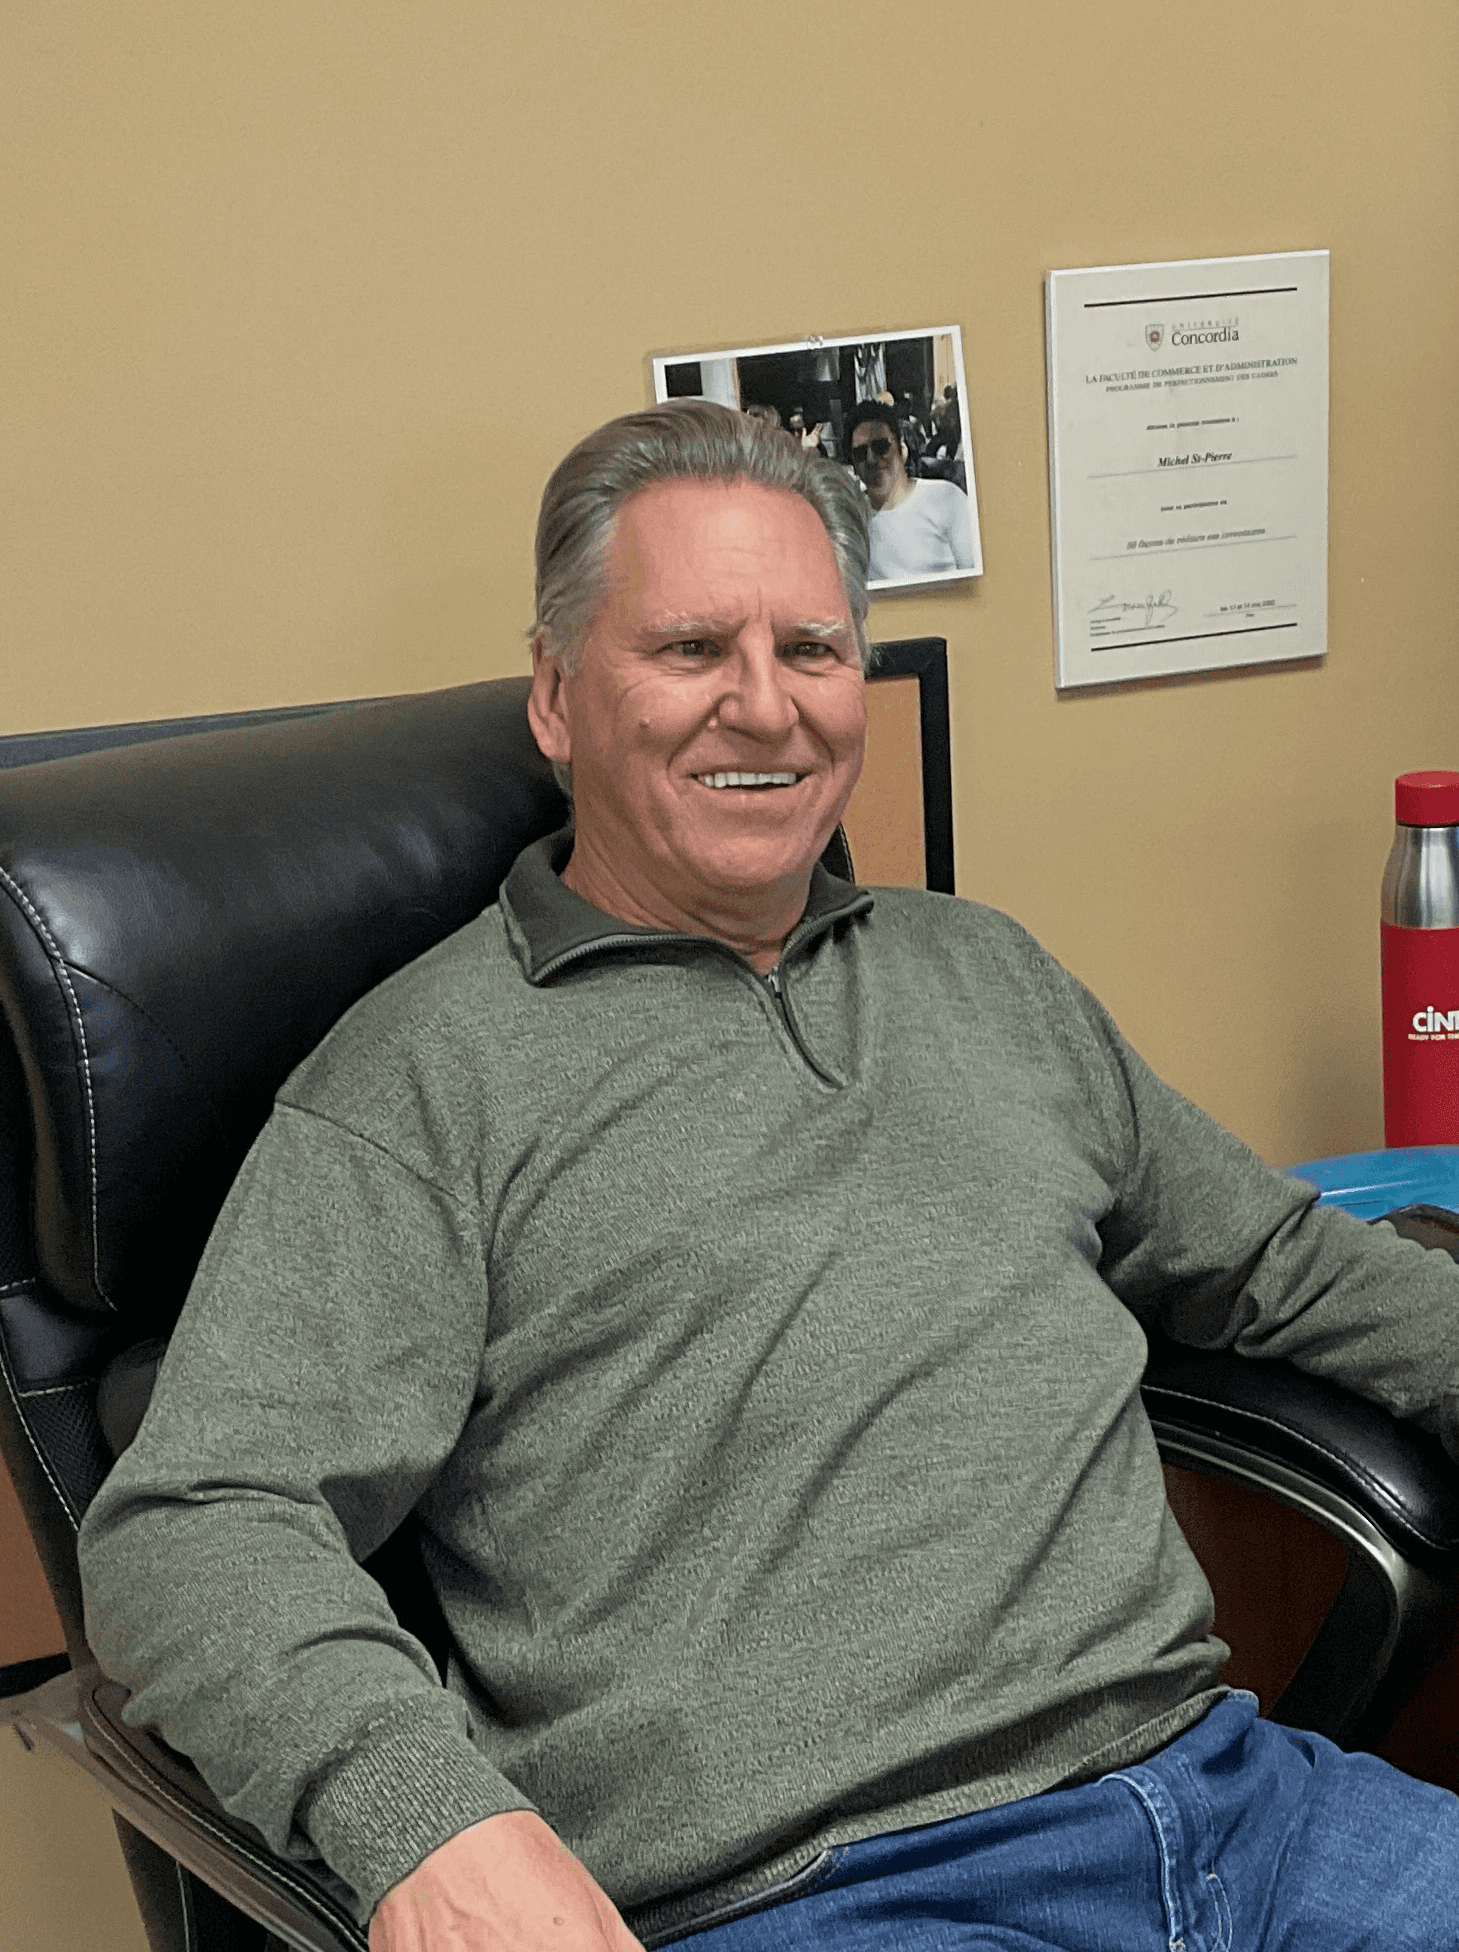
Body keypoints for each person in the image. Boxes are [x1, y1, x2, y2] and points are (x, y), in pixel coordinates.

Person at [76, 400, 1459, 1952]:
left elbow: (1281, 1264)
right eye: (687, 651)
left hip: (1227, 1803)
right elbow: (193, 1523)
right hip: (825, 1898)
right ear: (553, 693)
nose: (764, 707)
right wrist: (424, 1818)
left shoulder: (982, 977)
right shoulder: (420, 1085)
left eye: (810, 650)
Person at [847, 397, 976, 582]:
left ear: (902, 449)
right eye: (860, 453)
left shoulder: (946, 498)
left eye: (880, 447)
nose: (871, 459)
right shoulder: (851, 519)